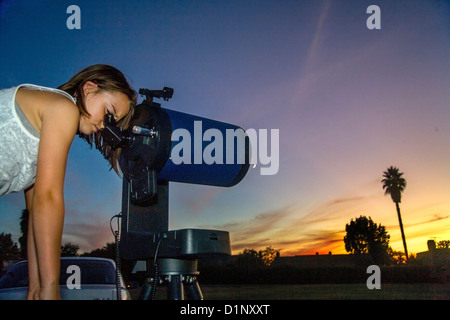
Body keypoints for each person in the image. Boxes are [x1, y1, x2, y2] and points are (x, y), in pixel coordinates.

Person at [0, 64, 137, 300]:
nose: (105, 126)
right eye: (109, 113)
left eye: (112, 122)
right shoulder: (63, 108)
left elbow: (36, 216)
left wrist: (36, 286)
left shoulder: (47, 126)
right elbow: (49, 198)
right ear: (89, 88)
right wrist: (51, 289)